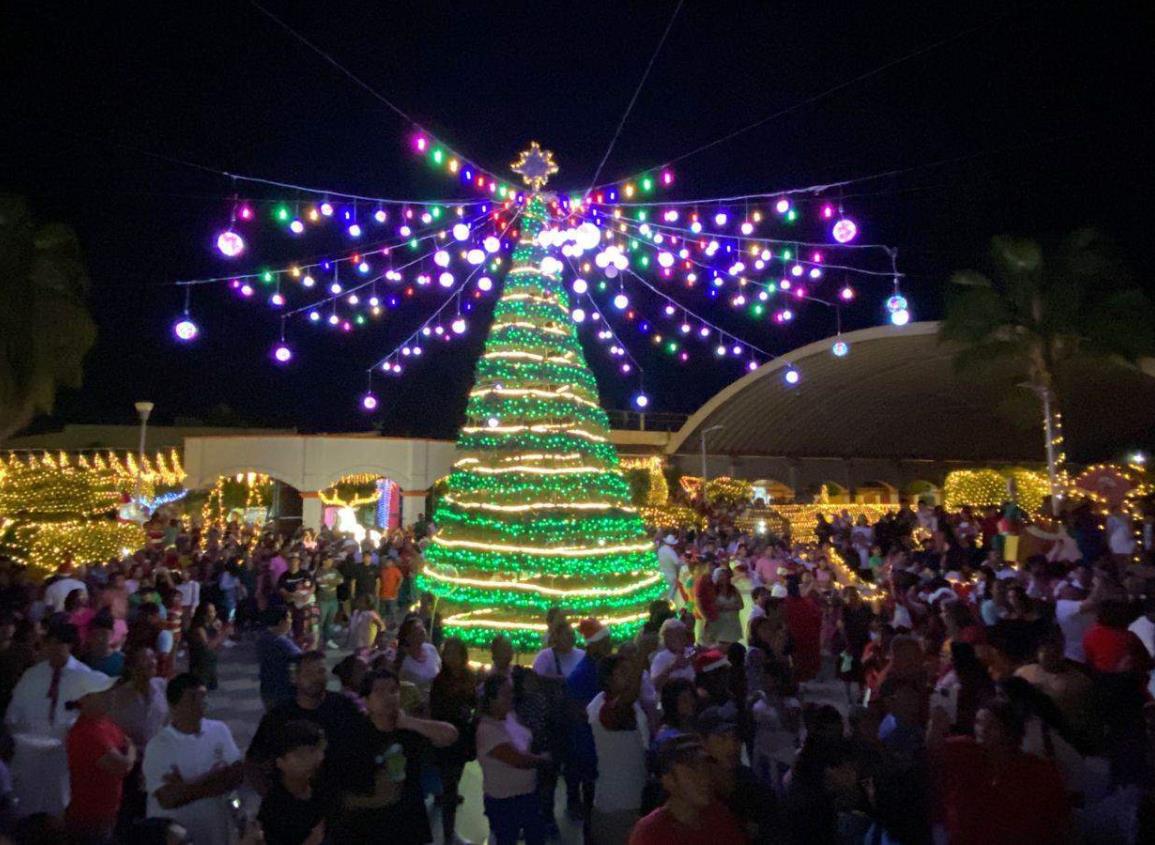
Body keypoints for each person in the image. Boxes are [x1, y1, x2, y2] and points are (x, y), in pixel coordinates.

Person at [337, 669, 458, 842]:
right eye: (379, 691)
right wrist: (374, 800)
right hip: (369, 829)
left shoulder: (409, 730)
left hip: (408, 827)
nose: (389, 696)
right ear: (366, 700)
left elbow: (450, 735)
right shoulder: (353, 736)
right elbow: (341, 795)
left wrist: (409, 722)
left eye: (394, 690)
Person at [930, 698, 1070, 843]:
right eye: (978, 723)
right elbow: (933, 750)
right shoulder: (965, 751)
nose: (982, 730)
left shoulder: (1037, 771)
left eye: (992, 725)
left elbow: (1061, 824)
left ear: (1010, 731)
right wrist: (936, 722)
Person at [5, 620, 104, 817]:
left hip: (64, 754)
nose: (53, 648)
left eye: (58, 643)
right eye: (49, 642)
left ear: (70, 645)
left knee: (58, 807)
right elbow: (14, 714)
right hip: (29, 754)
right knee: (26, 808)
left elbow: (92, 720)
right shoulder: (33, 675)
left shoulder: (84, 677)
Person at [247, 651, 365, 806]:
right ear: (295, 678)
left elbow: (364, 743)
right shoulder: (279, 716)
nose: (315, 678)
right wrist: (272, 798)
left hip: (339, 802)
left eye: (321, 671)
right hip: (295, 806)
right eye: (308, 673)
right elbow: (253, 762)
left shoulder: (344, 706)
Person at [142, 673, 244, 845]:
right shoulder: (159, 746)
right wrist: (213, 778)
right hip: (177, 836)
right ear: (173, 706)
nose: (201, 704)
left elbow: (236, 775)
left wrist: (185, 787)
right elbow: (168, 799)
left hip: (215, 833)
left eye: (202, 697)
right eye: (192, 699)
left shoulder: (219, 730)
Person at [628, 735, 748, 845]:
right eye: (693, 771)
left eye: (706, 769)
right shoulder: (651, 833)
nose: (704, 779)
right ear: (669, 781)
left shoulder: (720, 817)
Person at [476, 673, 549, 845]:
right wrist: (544, 759)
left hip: (527, 794)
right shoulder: (487, 730)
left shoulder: (511, 717)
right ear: (491, 699)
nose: (511, 697)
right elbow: (518, 760)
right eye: (505, 694)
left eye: (511, 692)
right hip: (504, 801)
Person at [64, 670, 135, 841]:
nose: (110, 696)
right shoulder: (86, 733)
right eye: (103, 693)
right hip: (90, 819)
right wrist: (132, 749)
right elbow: (122, 766)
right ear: (84, 699)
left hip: (108, 813)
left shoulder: (105, 722)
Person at [588, 653, 650, 844]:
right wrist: (639, 664)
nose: (630, 676)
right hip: (617, 805)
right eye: (624, 672)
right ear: (608, 679)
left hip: (632, 797)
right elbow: (621, 709)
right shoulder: (602, 709)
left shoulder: (625, 704)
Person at [695, 706, 772, 841]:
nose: (732, 746)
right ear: (703, 742)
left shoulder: (755, 787)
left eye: (736, 738)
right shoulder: (693, 789)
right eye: (722, 738)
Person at [430, 638, 477, 845]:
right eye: (448, 653)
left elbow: (475, 701)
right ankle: (449, 834)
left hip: (463, 737)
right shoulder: (441, 681)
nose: (451, 658)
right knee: (450, 785)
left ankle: (450, 831)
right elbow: (438, 709)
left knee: (454, 782)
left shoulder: (469, 677)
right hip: (446, 737)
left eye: (455, 653)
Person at [256, 720, 330, 845]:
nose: (313, 759)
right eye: (301, 755)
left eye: (315, 751)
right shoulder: (275, 809)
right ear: (280, 762)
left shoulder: (324, 788)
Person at [257, 606, 302, 709]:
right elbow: (303, 658)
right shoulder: (280, 641)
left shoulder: (263, 637)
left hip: (267, 688)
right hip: (284, 690)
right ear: (282, 622)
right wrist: (311, 645)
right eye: (289, 618)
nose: (291, 621)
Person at [395, 616, 441, 710]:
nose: (422, 630)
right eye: (416, 628)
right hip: (413, 707)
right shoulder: (403, 659)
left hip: (435, 702)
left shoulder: (431, 649)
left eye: (422, 627)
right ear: (408, 637)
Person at [187, 602, 229, 691]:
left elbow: (217, 645)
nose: (214, 614)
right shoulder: (199, 628)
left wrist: (218, 631)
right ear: (204, 615)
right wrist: (224, 633)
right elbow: (208, 645)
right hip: (200, 665)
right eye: (211, 612)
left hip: (211, 663)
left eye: (214, 611)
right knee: (201, 688)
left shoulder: (211, 625)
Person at [649, 618, 695, 693]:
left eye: (682, 634)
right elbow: (654, 685)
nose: (681, 638)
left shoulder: (688, 651)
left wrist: (689, 657)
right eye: (676, 636)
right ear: (666, 639)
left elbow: (694, 652)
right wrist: (671, 667)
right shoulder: (661, 657)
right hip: (672, 696)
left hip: (692, 692)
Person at [312, 556, 343, 649]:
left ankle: (328, 640)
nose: (331, 562)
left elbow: (341, 580)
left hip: (333, 599)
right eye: (329, 560)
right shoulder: (319, 572)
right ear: (324, 561)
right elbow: (321, 583)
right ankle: (316, 641)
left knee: (329, 621)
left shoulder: (335, 571)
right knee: (320, 621)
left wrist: (329, 581)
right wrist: (334, 582)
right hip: (322, 600)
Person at [657, 535, 682, 604]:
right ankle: (668, 605)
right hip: (671, 574)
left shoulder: (660, 549)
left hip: (662, 573)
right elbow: (677, 562)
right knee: (671, 592)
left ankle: (661, 604)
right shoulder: (671, 552)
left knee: (664, 591)